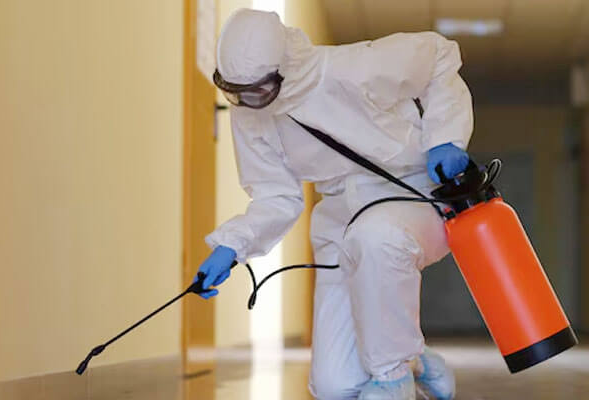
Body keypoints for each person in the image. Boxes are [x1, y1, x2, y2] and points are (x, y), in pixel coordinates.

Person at [196, 8, 473, 400]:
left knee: (375, 237)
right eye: (234, 92)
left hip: (412, 195)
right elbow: (278, 196)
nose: (246, 101)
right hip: (340, 217)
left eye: (257, 90)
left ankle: (394, 377)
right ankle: (416, 359)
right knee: (334, 386)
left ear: (285, 68)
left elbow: (440, 56)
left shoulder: (353, 68)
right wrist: (232, 245)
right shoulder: (250, 114)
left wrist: (446, 136)